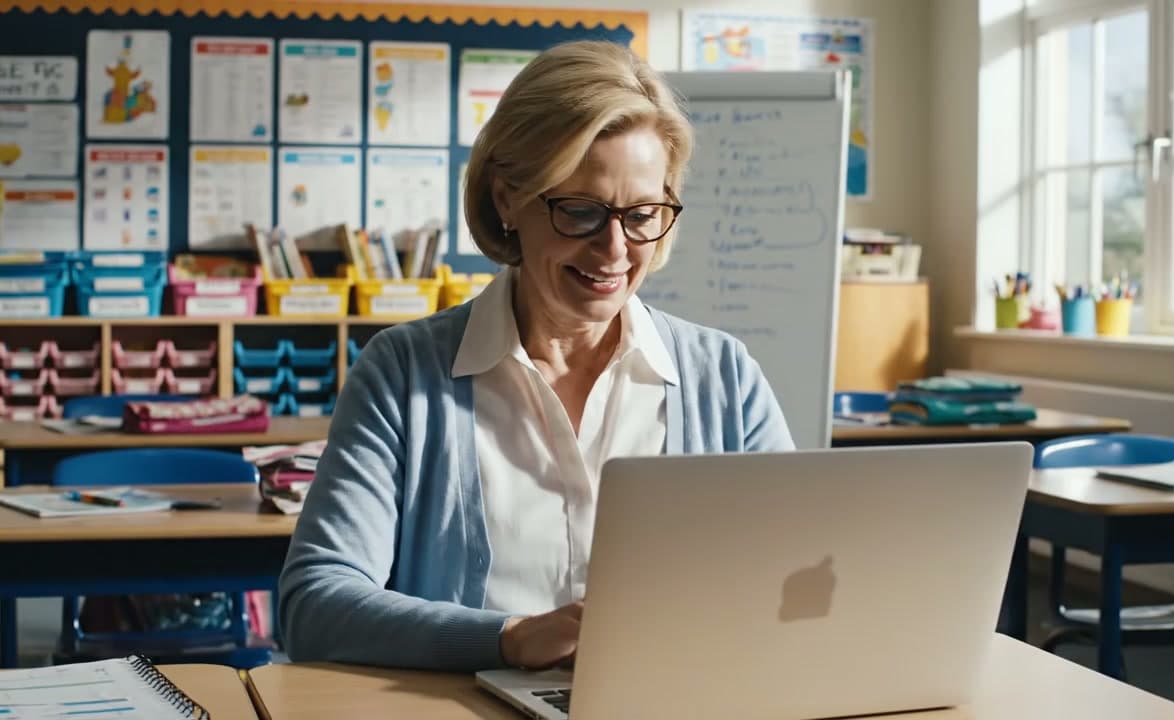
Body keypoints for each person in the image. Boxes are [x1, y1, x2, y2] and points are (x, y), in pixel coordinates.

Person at [278, 40, 794, 672]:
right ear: (506, 200)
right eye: (579, 211)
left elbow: (794, 581)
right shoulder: (403, 374)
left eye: (642, 215)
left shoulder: (724, 376)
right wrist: (508, 637)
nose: (614, 250)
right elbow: (315, 606)